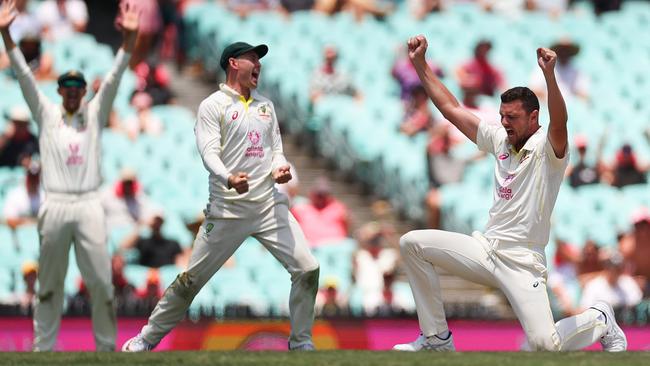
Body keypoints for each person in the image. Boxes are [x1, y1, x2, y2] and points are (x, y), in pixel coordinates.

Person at [392, 35, 627, 352]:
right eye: (502, 116)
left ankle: (599, 318)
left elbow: (560, 120)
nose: (505, 123)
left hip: (523, 261)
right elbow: (450, 108)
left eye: (512, 117)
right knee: (413, 243)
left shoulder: (549, 149)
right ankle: (436, 339)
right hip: (486, 249)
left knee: (546, 345)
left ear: (533, 117)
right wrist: (420, 65)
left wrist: (549, 76)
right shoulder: (498, 139)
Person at [122, 41, 320, 352]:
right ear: (232, 63)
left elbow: (276, 152)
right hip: (228, 209)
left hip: (268, 205)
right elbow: (208, 152)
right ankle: (146, 339)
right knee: (191, 281)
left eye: (260, 59)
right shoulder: (212, 106)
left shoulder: (265, 105)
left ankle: (301, 343)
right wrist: (228, 177)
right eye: (252, 58)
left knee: (307, 269)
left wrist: (280, 168)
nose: (259, 64)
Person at [0, 0, 139, 351]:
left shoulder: (93, 115)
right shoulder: (47, 114)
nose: (75, 91)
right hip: (57, 203)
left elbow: (113, 80)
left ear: (83, 92)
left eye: (79, 87)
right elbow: (25, 77)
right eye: (68, 87)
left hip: (89, 204)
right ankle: (42, 351)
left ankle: (106, 350)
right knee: (49, 286)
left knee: (102, 285)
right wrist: (5, 34)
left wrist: (129, 43)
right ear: (60, 91)